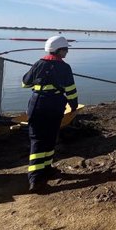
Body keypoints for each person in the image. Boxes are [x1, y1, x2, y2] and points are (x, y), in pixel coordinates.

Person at [21, 35, 78, 192]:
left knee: (44, 138)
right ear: (59, 50)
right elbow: (71, 91)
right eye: (65, 49)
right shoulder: (65, 68)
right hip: (54, 105)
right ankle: (35, 179)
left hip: (36, 104)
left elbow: (24, 83)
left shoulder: (38, 64)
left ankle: (46, 169)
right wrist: (73, 106)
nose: (67, 52)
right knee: (44, 138)